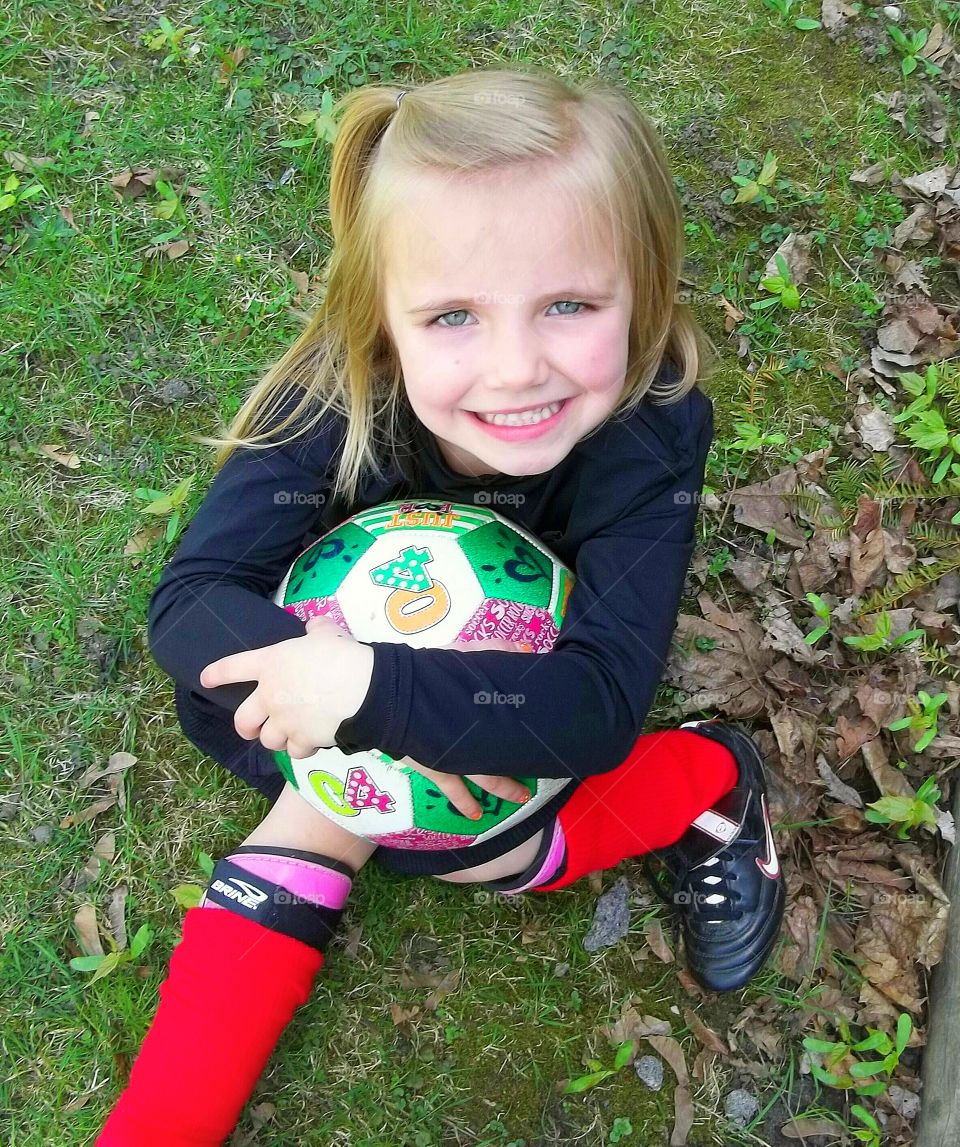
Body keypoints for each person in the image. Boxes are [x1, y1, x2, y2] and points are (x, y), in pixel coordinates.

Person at [97, 66, 785, 1146]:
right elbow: (192, 600)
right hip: (344, 667)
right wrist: (324, 685)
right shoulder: (337, 394)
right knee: (342, 800)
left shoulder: (650, 429)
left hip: (526, 680)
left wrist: (373, 694)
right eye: (453, 315)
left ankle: (708, 778)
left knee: (488, 849)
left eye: (568, 304)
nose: (515, 369)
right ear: (383, 317)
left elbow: (597, 701)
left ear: (645, 293)